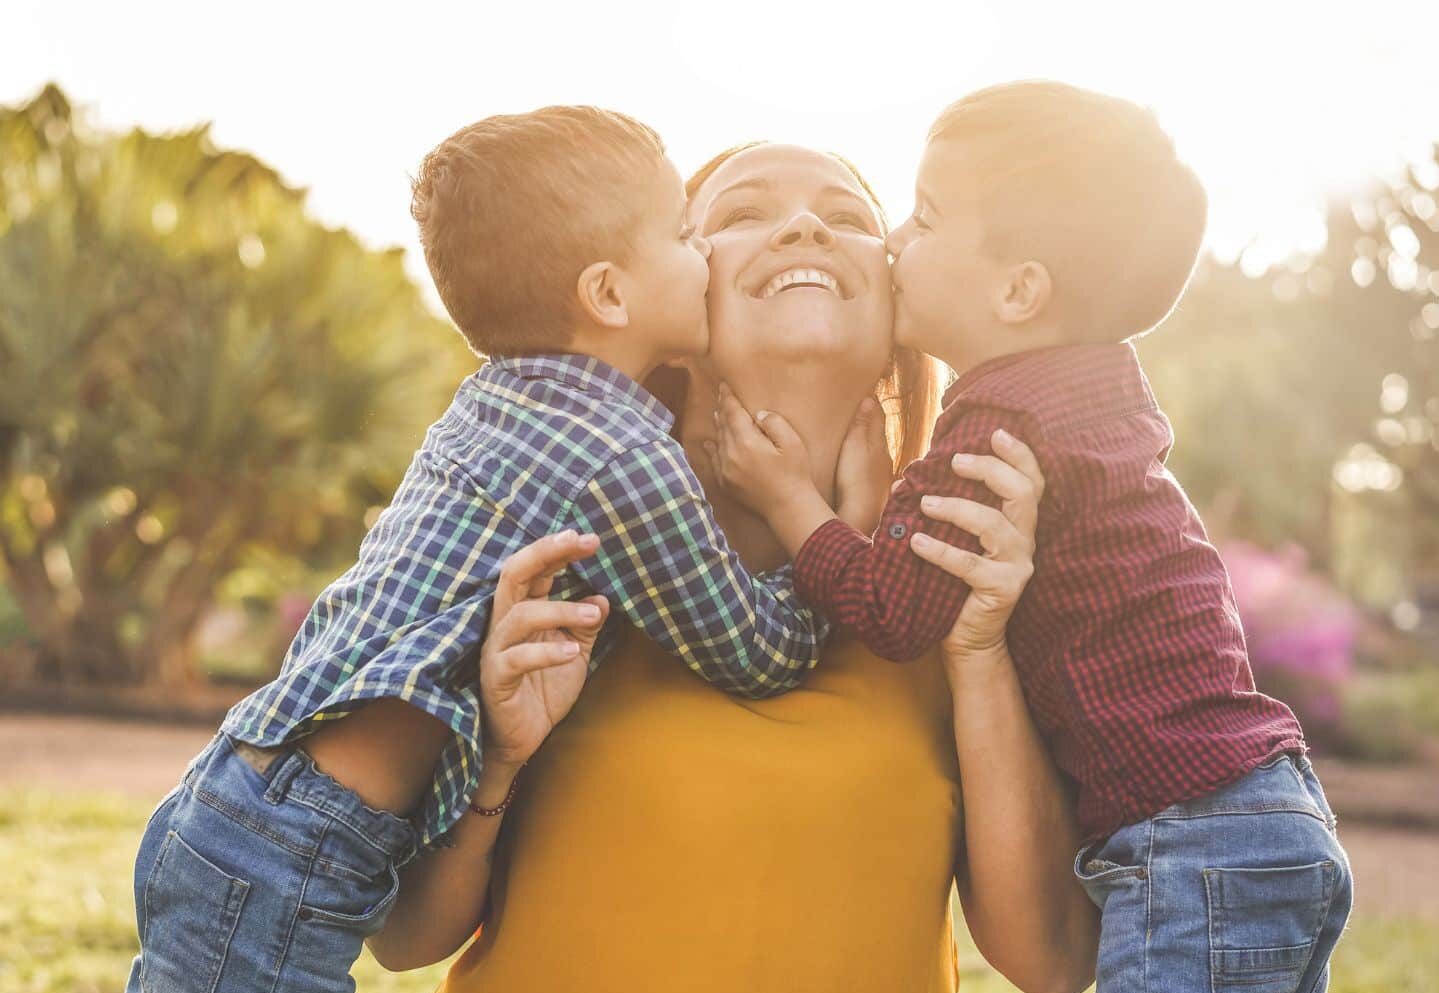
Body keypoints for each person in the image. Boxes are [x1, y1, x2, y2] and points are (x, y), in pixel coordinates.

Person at [126, 105, 834, 992]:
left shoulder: (497, 397)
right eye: (687, 235)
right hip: (299, 841)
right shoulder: (620, 456)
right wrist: (827, 518)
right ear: (609, 294)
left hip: (235, 797)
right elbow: (759, 652)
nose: (705, 260)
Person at [367, 141, 1100, 993]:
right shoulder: (562, 558)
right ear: (655, 299)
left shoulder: (962, 578)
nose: (800, 228)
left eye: (846, 218)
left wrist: (977, 654)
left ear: (899, 306)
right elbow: (405, 938)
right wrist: (496, 757)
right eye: (741, 215)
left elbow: (1050, 962)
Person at [712, 81, 1353, 991]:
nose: (897, 241)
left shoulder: (995, 418)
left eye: (923, 221)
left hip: (1189, 834)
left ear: (1018, 291)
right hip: (1261, 810)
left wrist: (792, 506)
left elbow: (892, 610)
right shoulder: (1096, 386)